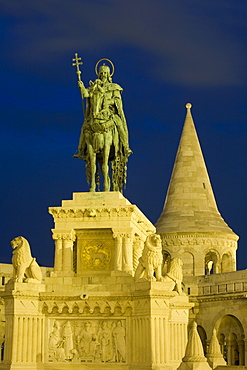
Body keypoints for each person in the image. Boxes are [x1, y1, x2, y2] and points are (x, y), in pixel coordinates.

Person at [75, 63, 132, 160]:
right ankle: (81, 149)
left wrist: (108, 101)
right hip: (95, 114)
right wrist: (82, 87)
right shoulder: (95, 86)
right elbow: (86, 94)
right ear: (99, 74)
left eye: (105, 73)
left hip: (109, 113)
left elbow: (117, 101)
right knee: (84, 126)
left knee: (119, 124)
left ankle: (125, 147)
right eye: (102, 73)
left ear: (109, 74)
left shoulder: (114, 87)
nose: (103, 75)